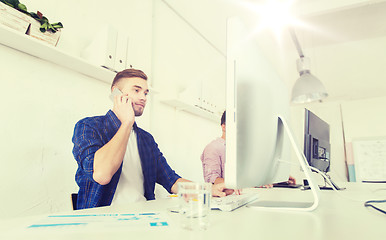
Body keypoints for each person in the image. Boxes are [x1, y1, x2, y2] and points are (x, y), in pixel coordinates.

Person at [72, 68, 227, 210]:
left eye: (145, 93)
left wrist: (209, 190)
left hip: (142, 217)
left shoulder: (146, 139)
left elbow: (171, 181)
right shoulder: (88, 127)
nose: (143, 97)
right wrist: (126, 123)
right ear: (116, 93)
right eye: (136, 90)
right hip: (101, 222)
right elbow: (102, 175)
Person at [201, 111, 296, 189]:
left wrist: (278, 179)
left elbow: (254, 178)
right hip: (227, 199)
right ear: (224, 126)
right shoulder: (213, 148)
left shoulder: (243, 150)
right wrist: (250, 184)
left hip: (246, 196)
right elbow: (212, 180)